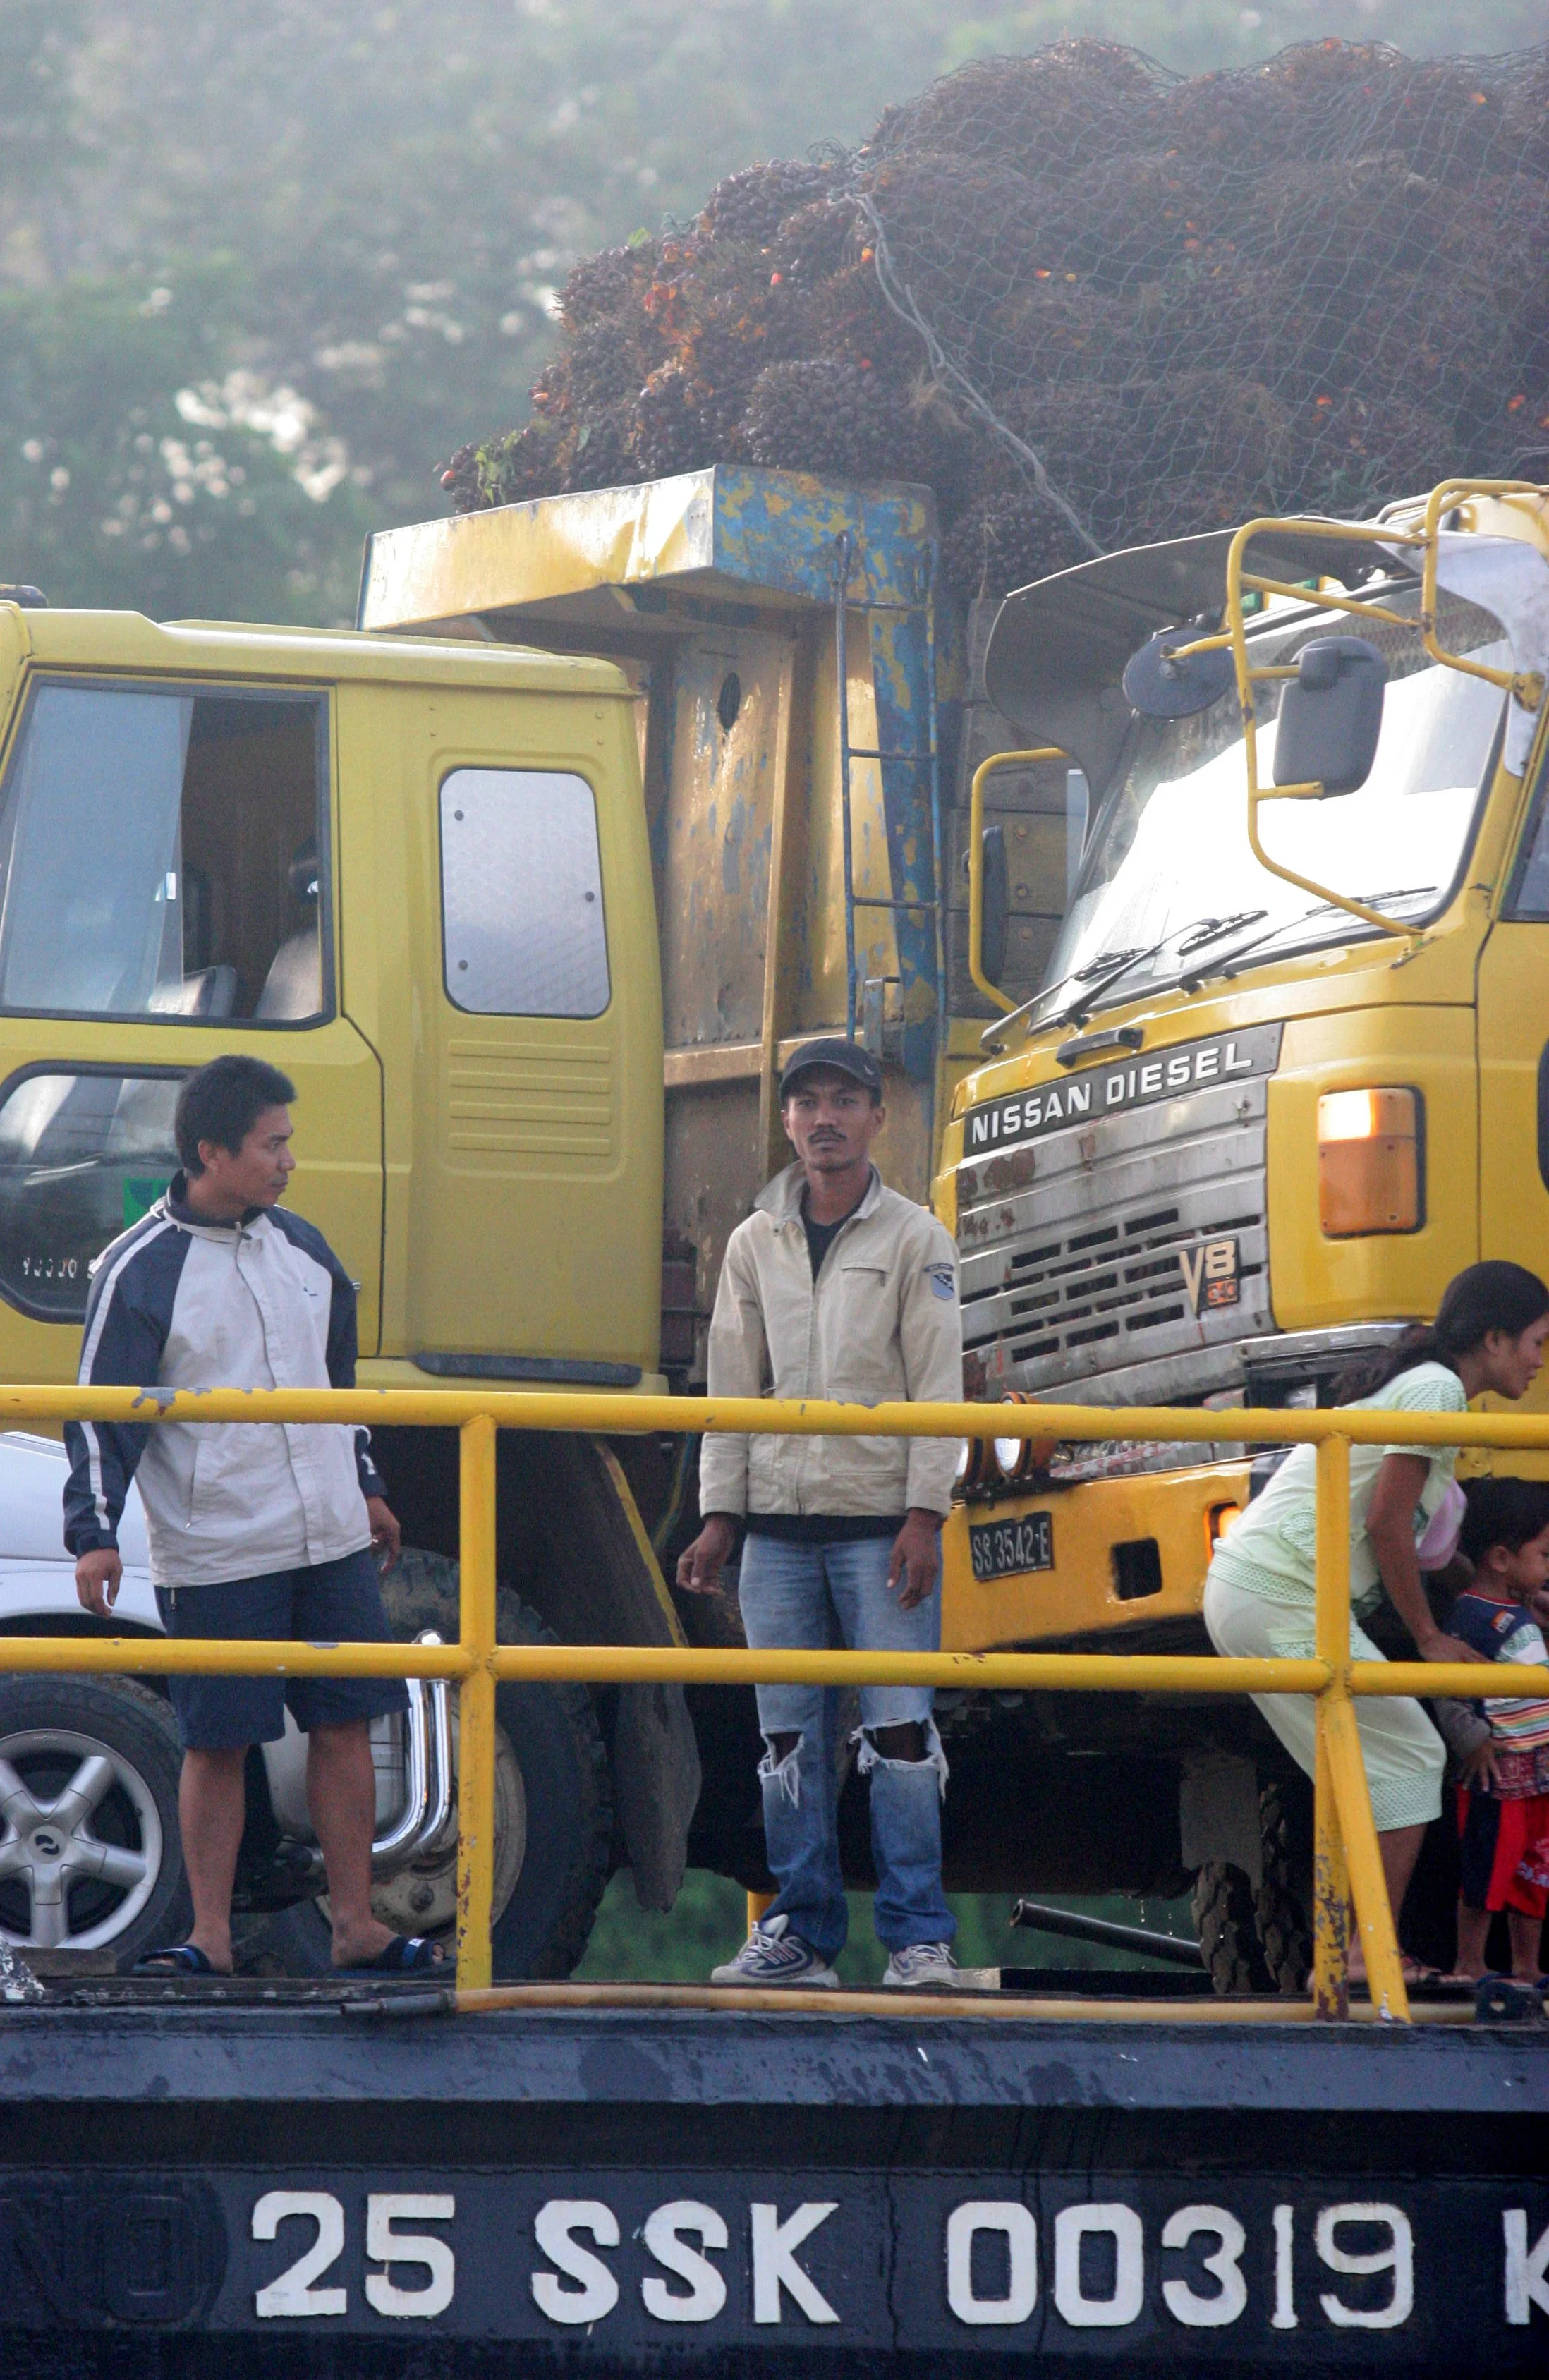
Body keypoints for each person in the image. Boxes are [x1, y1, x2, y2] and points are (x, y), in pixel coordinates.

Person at [66, 1053, 440, 1977]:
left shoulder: (307, 1249)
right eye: (273, 1145)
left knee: (346, 1720)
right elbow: (97, 1409)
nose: (288, 1162)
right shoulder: (138, 1267)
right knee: (218, 1739)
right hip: (220, 1543)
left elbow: (334, 1383)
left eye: (289, 1143)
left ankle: (355, 1923)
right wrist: (95, 1534)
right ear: (210, 1151)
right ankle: (212, 1938)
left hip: (331, 1537)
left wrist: (365, 1482)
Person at [678, 1038, 963, 1989]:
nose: (826, 1120)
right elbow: (731, 1387)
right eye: (809, 1104)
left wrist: (926, 1512)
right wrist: (721, 1517)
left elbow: (939, 1385)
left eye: (846, 1101)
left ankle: (919, 1938)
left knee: (900, 1737)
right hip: (778, 1535)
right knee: (786, 1742)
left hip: (883, 1527)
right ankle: (800, 1932)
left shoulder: (918, 1238)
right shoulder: (754, 1243)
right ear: (788, 1121)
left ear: (878, 1117)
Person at [1203, 1261, 1549, 1984]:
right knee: (1413, 1756)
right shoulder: (1439, 1390)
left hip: (1274, 1591)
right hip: (1281, 1591)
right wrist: (1428, 1638)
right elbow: (1387, 1521)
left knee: (1365, 1764)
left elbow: (1421, 1545)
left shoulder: (1429, 1388)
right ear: (1493, 1338)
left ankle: (1353, 1949)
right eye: (1536, 1343)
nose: (1540, 1363)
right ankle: (1365, 1952)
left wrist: (1505, 1592)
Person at [1444, 1478, 1549, 1982]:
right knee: (1487, 1868)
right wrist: (1470, 1739)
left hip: (1538, 1769)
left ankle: (1526, 1966)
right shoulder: (1469, 1616)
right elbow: (1447, 1687)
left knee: (1535, 1870)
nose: (1548, 1568)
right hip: (1496, 1769)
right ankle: (1471, 1961)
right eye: (1545, 1556)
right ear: (1502, 1559)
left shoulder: (1522, 1610)